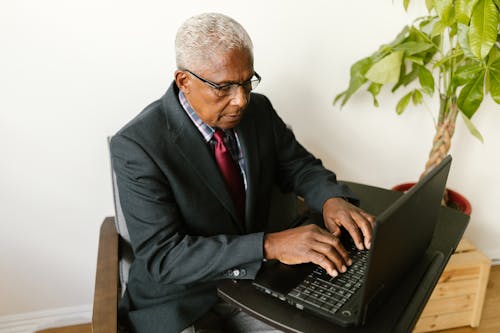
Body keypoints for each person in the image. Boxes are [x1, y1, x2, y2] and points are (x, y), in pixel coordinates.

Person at [110, 12, 375, 333]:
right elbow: (164, 258)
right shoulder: (137, 145)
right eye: (223, 87)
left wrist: (332, 199)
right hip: (182, 301)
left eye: (247, 81)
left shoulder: (259, 111)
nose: (241, 100)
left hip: (259, 284)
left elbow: (299, 167)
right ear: (184, 81)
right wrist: (270, 245)